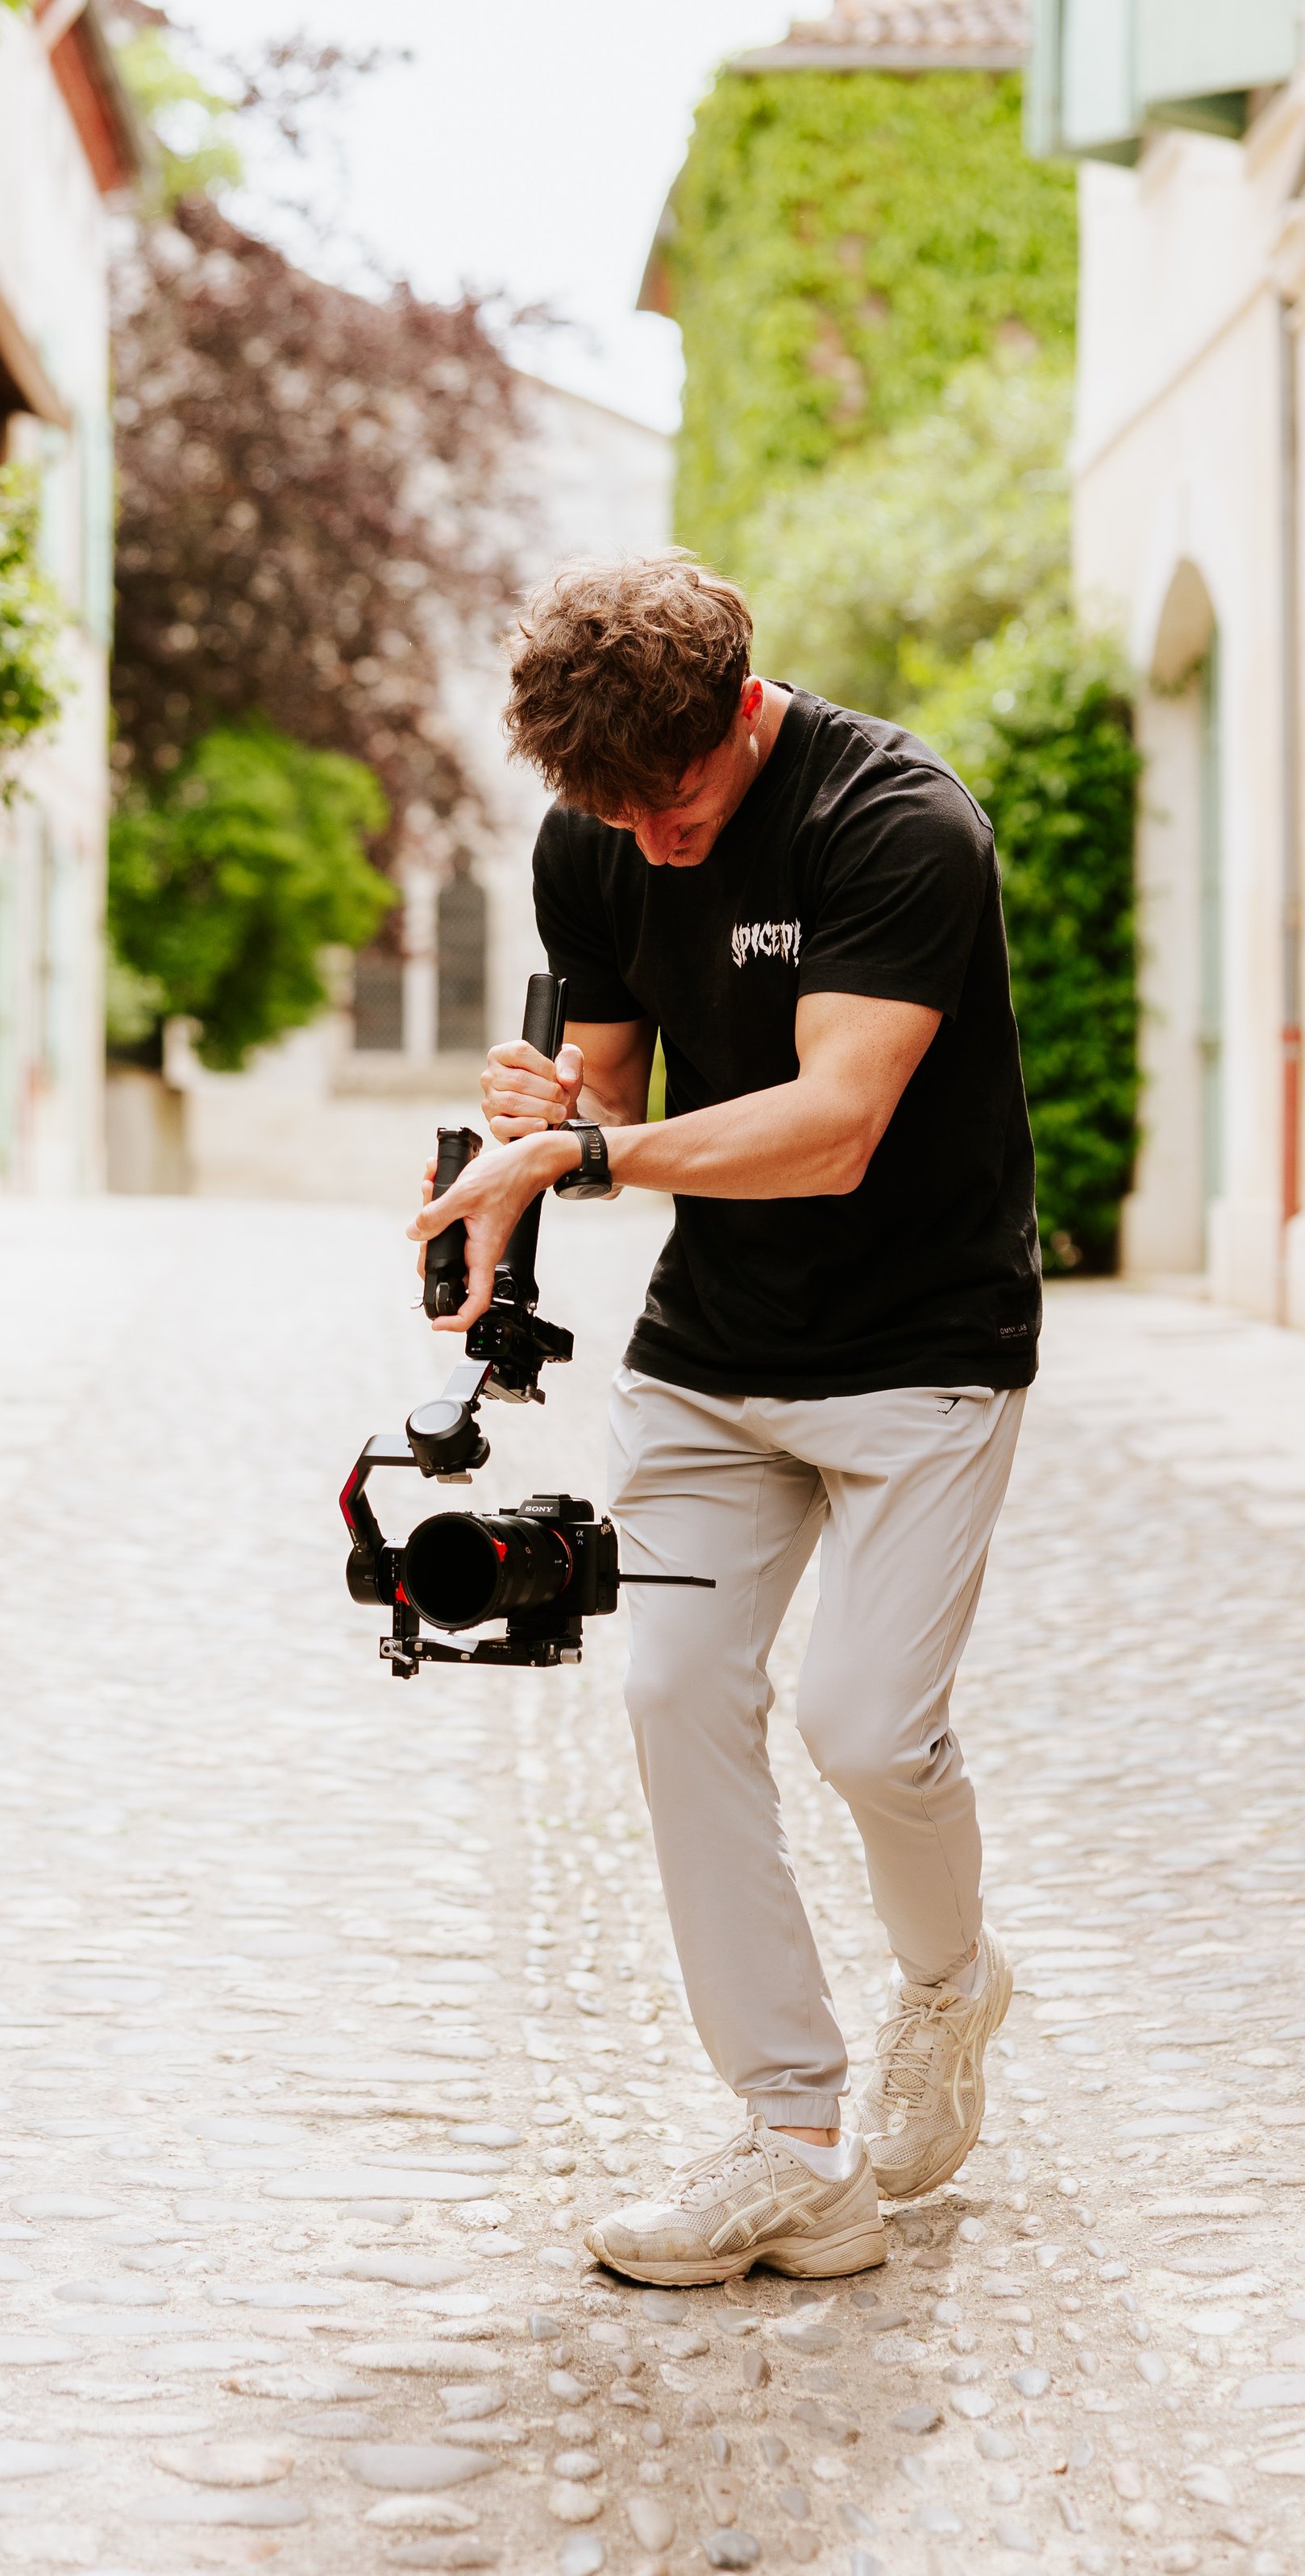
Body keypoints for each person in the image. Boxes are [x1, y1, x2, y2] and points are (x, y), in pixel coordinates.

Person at [409, 553, 1040, 2288]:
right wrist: (546, 1106)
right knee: (677, 1691)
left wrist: (591, 1149)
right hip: (711, 1355)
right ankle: (791, 2146)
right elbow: (608, 1084)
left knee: (863, 1729)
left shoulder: (896, 823)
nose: (647, 837)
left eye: (670, 800)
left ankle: (946, 1982)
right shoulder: (594, 832)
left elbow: (831, 1125)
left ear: (741, 709)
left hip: (922, 1345)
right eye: (609, 809)